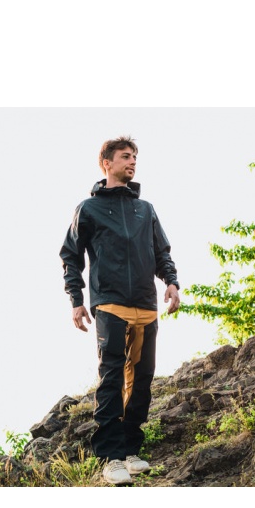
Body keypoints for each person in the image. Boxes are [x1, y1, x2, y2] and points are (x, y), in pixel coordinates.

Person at [59, 136, 180, 485]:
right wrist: (76, 300)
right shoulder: (88, 209)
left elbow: (161, 252)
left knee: (141, 380)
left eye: (135, 157)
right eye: (126, 156)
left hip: (145, 304)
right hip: (109, 302)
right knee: (111, 376)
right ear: (106, 163)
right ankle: (110, 458)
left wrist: (171, 282)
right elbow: (70, 256)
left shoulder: (146, 210)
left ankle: (130, 450)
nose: (133, 162)